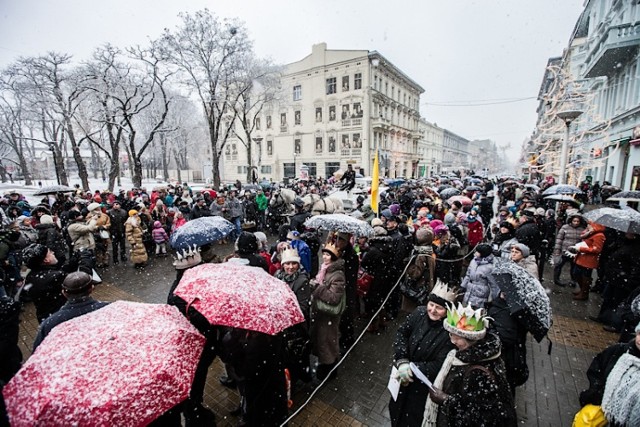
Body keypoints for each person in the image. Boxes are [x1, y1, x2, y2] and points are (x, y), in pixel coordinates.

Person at [425, 303, 517, 427]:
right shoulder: (477, 355)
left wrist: (446, 400)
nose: (452, 341)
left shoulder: (478, 372)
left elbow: (481, 416)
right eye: (451, 335)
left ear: (470, 340)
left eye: (457, 338)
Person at [389, 282, 457, 427]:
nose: (432, 310)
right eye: (431, 304)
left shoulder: (449, 333)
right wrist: (402, 360)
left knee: (411, 420)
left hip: (421, 389)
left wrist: (412, 369)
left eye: (439, 308)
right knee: (395, 411)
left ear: (447, 311)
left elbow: (440, 364)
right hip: (401, 380)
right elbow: (402, 333)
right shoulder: (419, 312)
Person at [578, 321, 640, 427]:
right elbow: (597, 368)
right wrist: (597, 391)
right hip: (601, 413)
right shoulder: (619, 350)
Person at [32, 271, 108, 350]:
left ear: (64, 293)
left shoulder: (49, 324)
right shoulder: (109, 309)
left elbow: (38, 350)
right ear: (92, 288)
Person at [275, 248, 312, 383]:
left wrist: (284, 311)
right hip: (283, 324)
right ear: (282, 264)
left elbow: (303, 308)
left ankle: (298, 378)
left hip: (296, 326)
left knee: (296, 355)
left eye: (293, 263)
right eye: (287, 263)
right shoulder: (277, 275)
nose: (290, 267)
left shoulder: (302, 281)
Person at [310, 243, 346, 381]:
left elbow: (334, 298)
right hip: (321, 315)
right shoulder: (324, 269)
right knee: (322, 341)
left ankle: (329, 370)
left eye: (328, 255)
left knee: (328, 343)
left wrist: (318, 288)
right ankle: (325, 365)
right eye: (324, 254)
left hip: (328, 317)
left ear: (334, 257)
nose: (324, 257)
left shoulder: (338, 275)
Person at [22, 244, 72, 323]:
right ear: (46, 260)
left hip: (46, 318)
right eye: (50, 253)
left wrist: (72, 263)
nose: (53, 252)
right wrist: (85, 261)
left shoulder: (30, 276)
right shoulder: (56, 276)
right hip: (61, 318)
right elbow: (80, 284)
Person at [568, 221, 606, 301]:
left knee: (585, 277)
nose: (588, 226)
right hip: (582, 258)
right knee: (577, 274)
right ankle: (583, 290)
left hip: (588, 260)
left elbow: (597, 249)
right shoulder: (590, 233)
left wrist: (581, 248)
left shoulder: (599, 236)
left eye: (589, 224)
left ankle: (584, 293)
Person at [552, 211, 586, 287]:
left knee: (573, 268)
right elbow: (559, 239)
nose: (576, 223)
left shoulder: (582, 229)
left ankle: (573, 281)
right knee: (559, 265)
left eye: (578, 221)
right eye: (574, 221)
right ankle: (556, 280)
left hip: (575, 252)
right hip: (565, 251)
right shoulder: (565, 227)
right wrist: (557, 251)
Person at [459, 243, 498, 309]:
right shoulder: (473, 261)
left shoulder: (490, 267)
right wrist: (463, 286)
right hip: (469, 291)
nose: (475, 253)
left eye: (477, 252)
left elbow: (493, 285)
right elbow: (468, 275)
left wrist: (493, 299)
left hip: (481, 294)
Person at [86, 202, 111, 268]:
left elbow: (108, 224)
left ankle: (105, 260)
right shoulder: (89, 216)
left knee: (105, 248)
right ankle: (99, 262)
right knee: (97, 249)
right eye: (97, 208)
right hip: (95, 235)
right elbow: (88, 225)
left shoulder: (105, 215)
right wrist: (97, 227)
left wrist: (104, 226)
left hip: (104, 234)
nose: (99, 209)